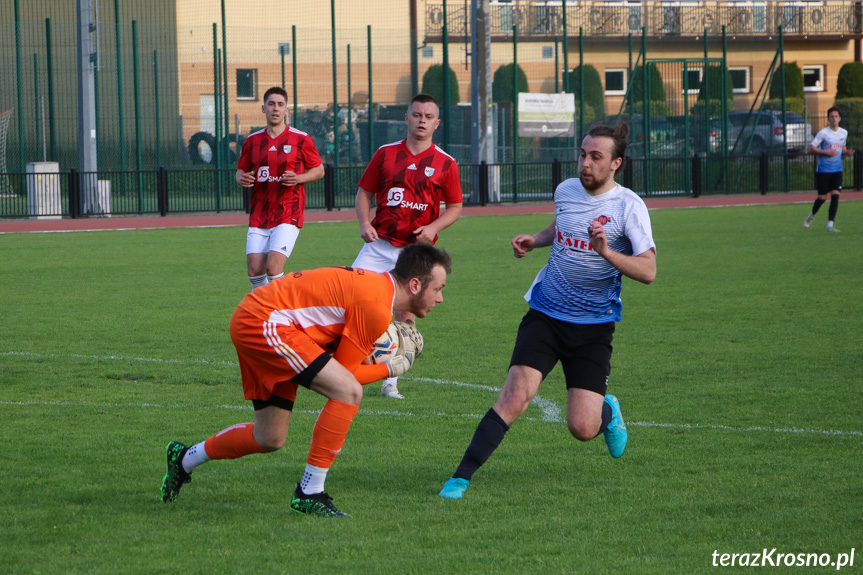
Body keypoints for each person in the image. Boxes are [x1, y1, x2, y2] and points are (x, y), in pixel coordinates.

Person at [438, 123, 657, 500]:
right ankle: (459, 478)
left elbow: (649, 271)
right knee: (513, 397)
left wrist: (606, 252)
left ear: (616, 163)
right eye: (583, 154)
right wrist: (535, 240)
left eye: (596, 157)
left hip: (593, 327)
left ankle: (607, 411)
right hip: (546, 315)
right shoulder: (566, 190)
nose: (585, 163)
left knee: (583, 428)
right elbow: (562, 225)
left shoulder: (629, 207)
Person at [161, 243, 452, 517]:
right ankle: (310, 492)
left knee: (270, 438)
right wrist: (389, 369)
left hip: (266, 320)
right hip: (264, 321)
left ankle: (185, 458)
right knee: (348, 392)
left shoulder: (376, 290)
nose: (440, 298)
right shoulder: (376, 304)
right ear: (415, 285)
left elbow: (340, 360)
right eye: (438, 289)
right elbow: (347, 376)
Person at [352, 93, 463, 400]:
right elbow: (364, 193)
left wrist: (434, 227)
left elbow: (455, 206)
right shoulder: (385, 154)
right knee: (356, 303)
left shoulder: (445, 163)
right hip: (379, 245)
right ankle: (347, 368)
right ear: (407, 118)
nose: (422, 121)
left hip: (415, 253)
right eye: (416, 115)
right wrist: (364, 223)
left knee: (406, 313)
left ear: (437, 123)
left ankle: (391, 382)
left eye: (428, 117)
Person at [236, 86, 325, 289]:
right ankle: (266, 314)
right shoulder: (252, 141)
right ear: (263, 108)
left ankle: (287, 309)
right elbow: (240, 171)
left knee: (273, 268)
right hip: (260, 213)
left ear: (287, 110)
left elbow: (319, 170)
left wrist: (299, 178)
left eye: (280, 105)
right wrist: (242, 178)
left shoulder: (301, 139)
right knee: (254, 271)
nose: (275, 108)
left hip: (288, 212)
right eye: (271, 104)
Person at [804, 107, 853, 233]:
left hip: (837, 170)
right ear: (828, 119)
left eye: (836, 116)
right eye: (831, 116)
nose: (834, 119)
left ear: (840, 119)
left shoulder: (844, 133)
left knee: (835, 196)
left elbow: (842, 147)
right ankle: (812, 215)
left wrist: (846, 152)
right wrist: (825, 151)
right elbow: (811, 149)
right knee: (822, 198)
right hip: (823, 170)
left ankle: (830, 225)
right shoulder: (823, 133)